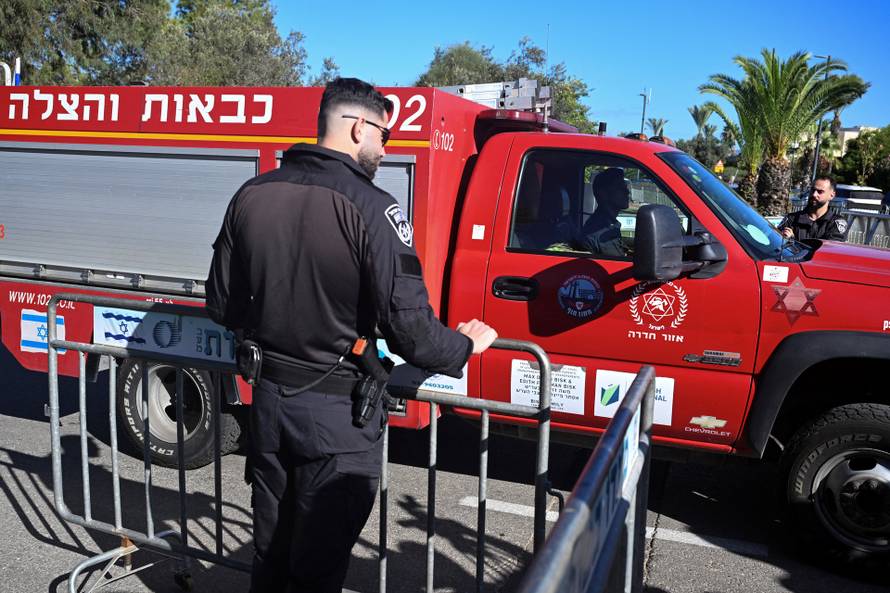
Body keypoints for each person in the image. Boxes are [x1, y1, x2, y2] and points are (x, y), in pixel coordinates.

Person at [205, 77, 497, 593]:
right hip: (337, 418)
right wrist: (465, 345)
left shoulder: (251, 193)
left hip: (269, 404)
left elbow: (222, 304)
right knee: (317, 568)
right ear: (358, 126)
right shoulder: (374, 208)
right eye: (384, 136)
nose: (386, 149)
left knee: (271, 555)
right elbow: (412, 333)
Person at [576, 167, 630, 257]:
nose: (627, 191)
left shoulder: (609, 225)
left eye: (625, 186)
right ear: (603, 194)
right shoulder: (600, 233)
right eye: (620, 187)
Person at [778, 176, 848, 241]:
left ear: (832, 195)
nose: (814, 194)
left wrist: (793, 240)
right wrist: (786, 239)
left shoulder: (836, 223)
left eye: (820, 192)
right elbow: (777, 244)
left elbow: (829, 250)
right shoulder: (791, 219)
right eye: (813, 190)